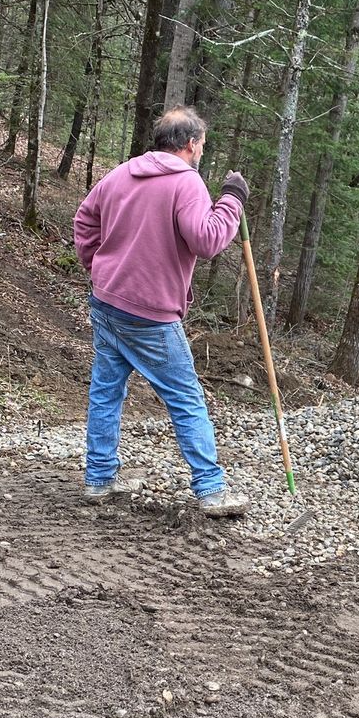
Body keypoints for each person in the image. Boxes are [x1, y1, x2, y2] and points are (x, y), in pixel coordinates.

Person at [73, 106, 251, 516]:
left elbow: (84, 219)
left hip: (107, 300)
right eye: (202, 144)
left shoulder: (121, 173)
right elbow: (207, 241)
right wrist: (232, 200)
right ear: (190, 144)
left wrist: (97, 265)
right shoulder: (186, 183)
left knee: (105, 391)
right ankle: (211, 490)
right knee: (186, 398)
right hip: (149, 314)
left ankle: (99, 479)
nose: (202, 150)